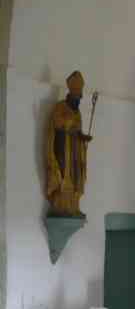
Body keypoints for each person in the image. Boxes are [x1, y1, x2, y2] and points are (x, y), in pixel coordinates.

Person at [46, 70, 92, 217]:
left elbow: (77, 130)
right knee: (62, 177)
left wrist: (82, 137)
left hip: (75, 152)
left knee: (76, 178)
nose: (80, 99)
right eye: (78, 97)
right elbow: (57, 124)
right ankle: (61, 207)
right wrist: (69, 124)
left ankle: (73, 207)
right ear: (71, 95)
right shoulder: (60, 107)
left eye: (80, 97)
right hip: (62, 149)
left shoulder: (78, 112)